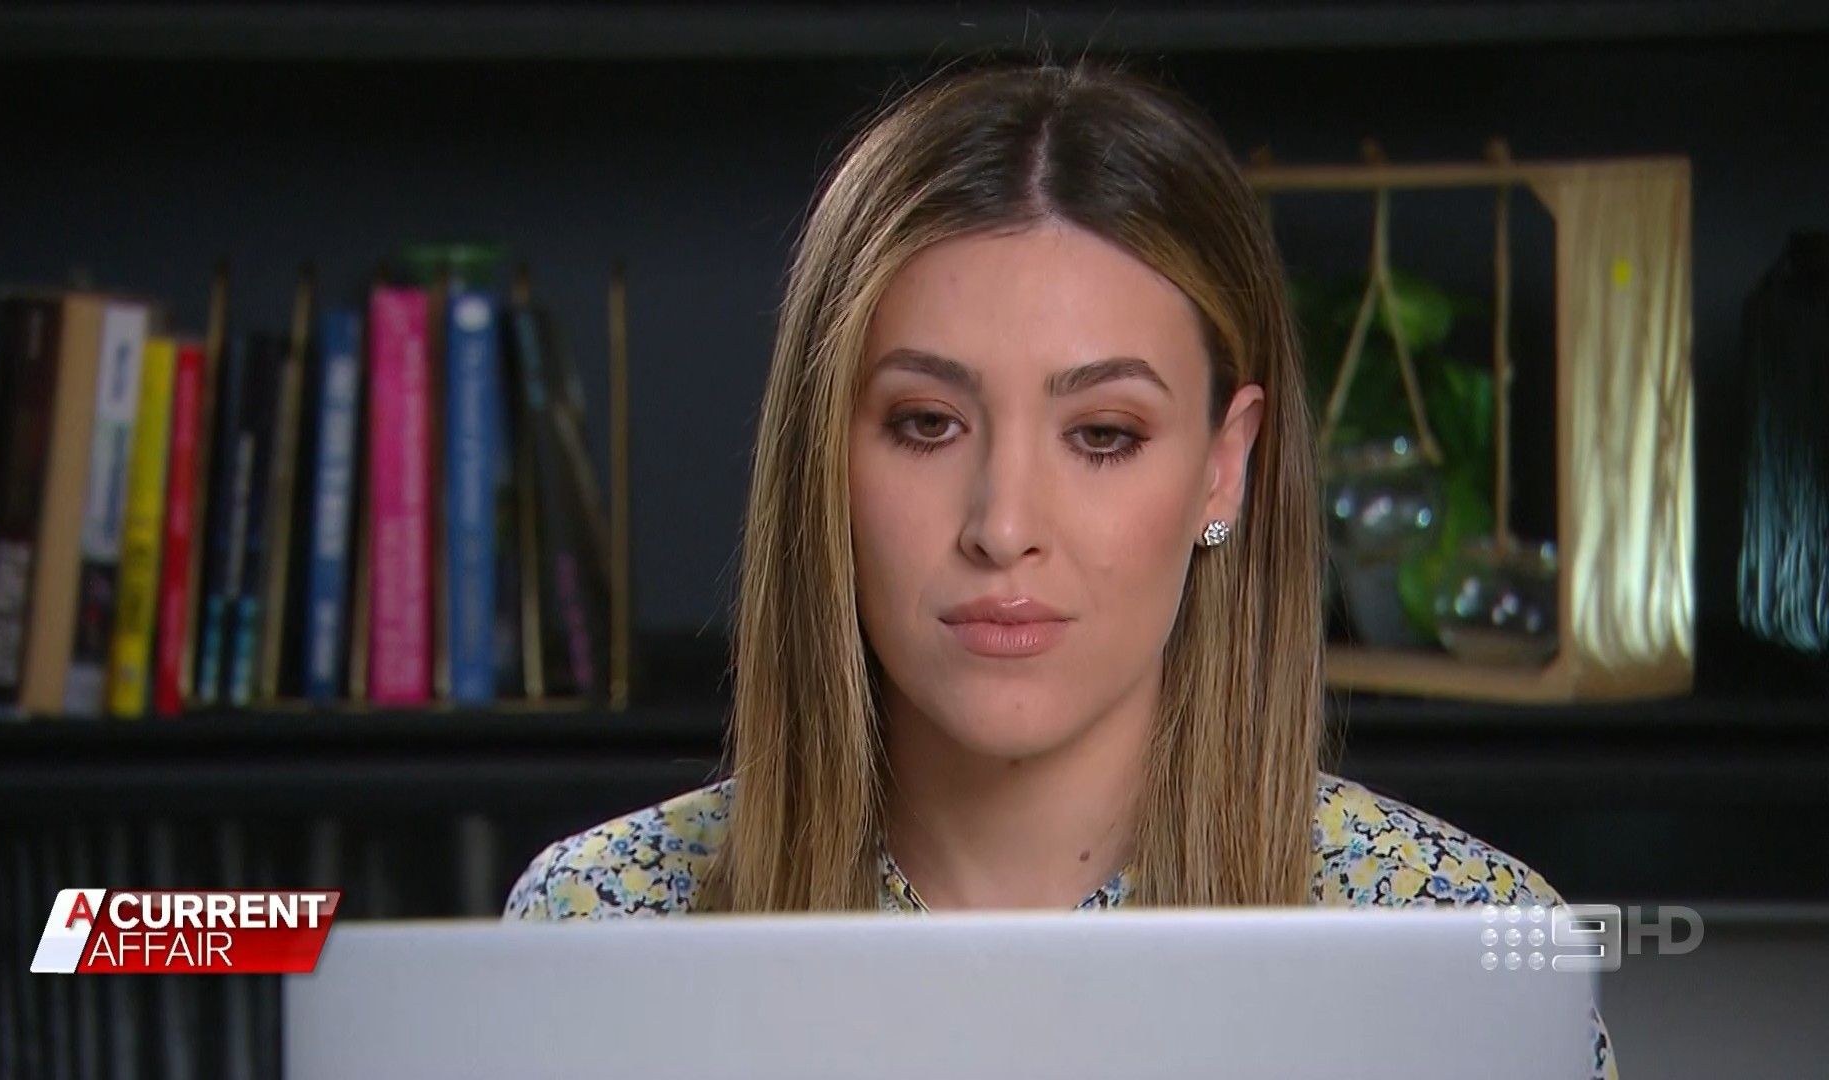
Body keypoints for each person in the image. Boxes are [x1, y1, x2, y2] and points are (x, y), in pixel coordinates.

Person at [504, 58, 1616, 1078]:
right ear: (822, 458)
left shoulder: (1460, 953)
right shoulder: (595, 931)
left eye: (1103, 436)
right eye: (927, 423)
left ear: (1224, 468)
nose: (1004, 526)